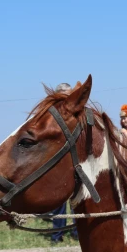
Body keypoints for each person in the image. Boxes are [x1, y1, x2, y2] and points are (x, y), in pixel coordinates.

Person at [49, 83, 79, 243]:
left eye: (68, 94)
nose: (66, 97)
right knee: (59, 200)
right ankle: (57, 234)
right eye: (62, 94)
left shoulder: (76, 111)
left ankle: (77, 232)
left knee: (76, 199)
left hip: (74, 159)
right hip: (58, 161)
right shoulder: (51, 113)